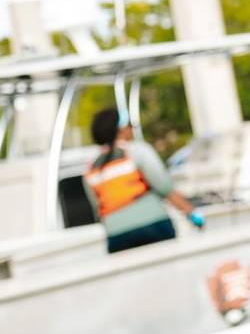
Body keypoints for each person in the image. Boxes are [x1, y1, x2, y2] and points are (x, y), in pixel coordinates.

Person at [83, 107, 204, 253]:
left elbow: (99, 209)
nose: (131, 130)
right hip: (154, 225)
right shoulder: (137, 151)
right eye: (129, 126)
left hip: (117, 236)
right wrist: (193, 215)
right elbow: (164, 187)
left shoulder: (91, 168)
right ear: (121, 129)